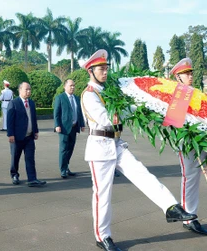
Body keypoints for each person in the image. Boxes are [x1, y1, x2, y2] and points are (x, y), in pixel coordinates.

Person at [80, 50, 197, 251]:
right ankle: (103, 236)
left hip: (116, 143)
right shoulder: (89, 95)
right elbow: (108, 119)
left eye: (107, 68)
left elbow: (123, 112)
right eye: (101, 69)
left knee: (144, 174)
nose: (105, 72)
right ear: (90, 71)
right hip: (100, 147)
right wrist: (138, 105)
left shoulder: (110, 91)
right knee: (103, 194)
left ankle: (171, 207)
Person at [170, 58, 207, 236]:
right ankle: (189, 218)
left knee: (194, 178)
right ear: (178, 77)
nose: (190, 76)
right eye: (186, 74)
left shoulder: (196, 93)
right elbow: (174, 122)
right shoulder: (178, 95)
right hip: (187, 144)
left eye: (191, 73)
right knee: (190, 178)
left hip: (202, 140)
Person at [7, 82, 46, 187]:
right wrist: (10, 134)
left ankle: (32, 178)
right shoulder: (14, 103)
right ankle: (14, 175)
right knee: (15, 157)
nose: (29, 91)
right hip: (17, 136)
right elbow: (9, 120)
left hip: (29, 136)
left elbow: (33, 118)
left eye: (29, 89)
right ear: (20, 90)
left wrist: (36, 131)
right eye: (26, 89)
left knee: (30, 158)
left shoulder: (31, 103)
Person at [53, 79, 85, 178]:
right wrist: (57, 125)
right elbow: (56, 113)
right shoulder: (60, 98)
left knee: (70, 148)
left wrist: (82, 124)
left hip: (74, 128)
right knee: (63, 149)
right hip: (64, 128)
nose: (72, 87)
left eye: (73, 85)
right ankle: (63, 170)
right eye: (70, 85)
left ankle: (66, 166)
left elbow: (79, 112)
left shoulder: (76, 98)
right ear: (65, 86)